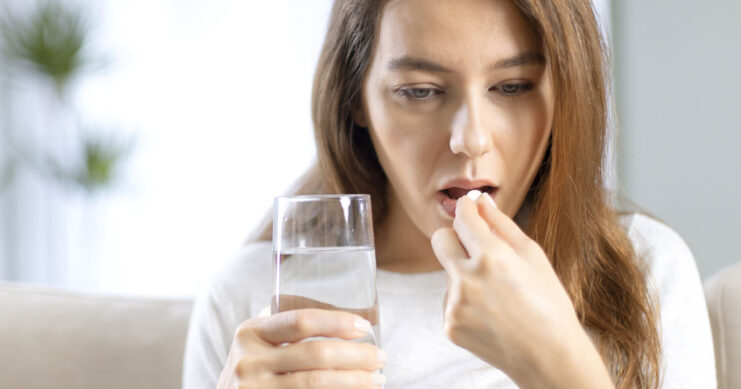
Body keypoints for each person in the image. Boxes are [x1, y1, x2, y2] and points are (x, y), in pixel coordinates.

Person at [183, 0, 716, 388]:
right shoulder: (252, 299)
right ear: (355, 101)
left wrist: (559, 368)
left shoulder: (642, 268)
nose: (472, 139)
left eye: (512, 87)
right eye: (420, 91)